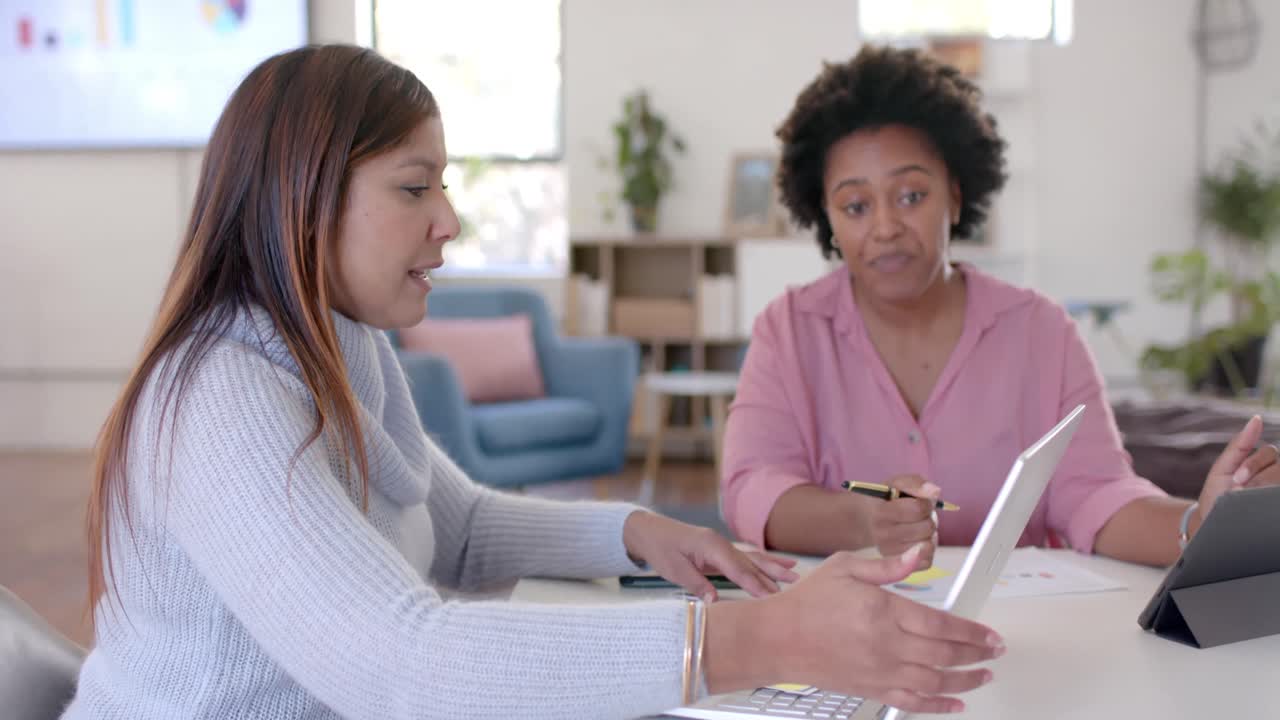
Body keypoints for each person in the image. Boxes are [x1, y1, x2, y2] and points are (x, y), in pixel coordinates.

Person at [63, 45, 1004, 720]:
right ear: (302, 196)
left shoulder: (345, 345)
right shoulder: (219, 397)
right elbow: (403, 668)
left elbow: (460, 524)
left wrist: (640, 532)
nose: (450, 222)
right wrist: (766, 642)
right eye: (414, 187)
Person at [720, 44, 1280, 569]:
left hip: (1022, 638)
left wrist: (1195, 524)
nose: (886, 227)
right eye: (856, 205)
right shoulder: (790, 331)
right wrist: (863, 521)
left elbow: (1097, 492)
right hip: (845, 636)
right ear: (827, 217)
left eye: (912, 195)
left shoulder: (1042, 331)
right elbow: (751, 488)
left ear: (956, 195)